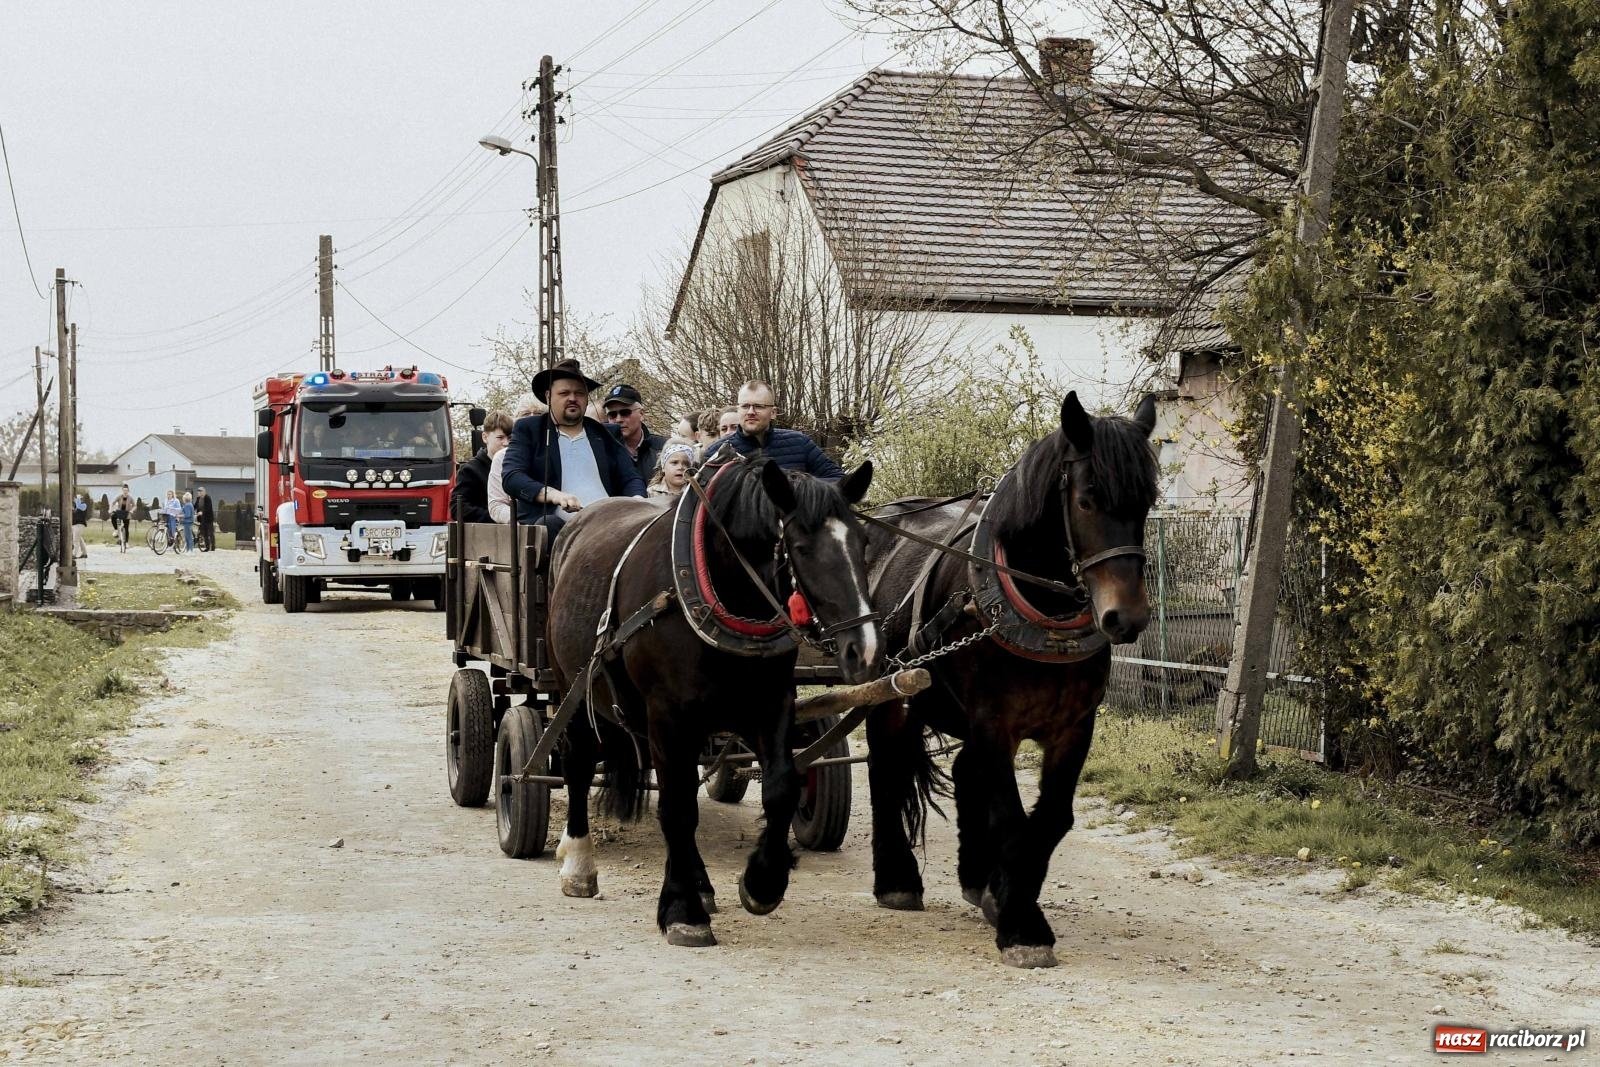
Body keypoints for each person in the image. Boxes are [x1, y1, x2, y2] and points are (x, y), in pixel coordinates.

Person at [501, 358, 647, 536]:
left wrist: (637, 502)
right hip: (557, 531)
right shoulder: (530, 430)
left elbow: (631, 478)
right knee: (550, 525)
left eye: (579, 393)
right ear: (548, 397)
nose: (572, 398)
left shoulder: (604, 433)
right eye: (564, 393)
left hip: (609, 527)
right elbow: (512, 477)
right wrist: (555, 495)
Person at [702, 380, 843, 480]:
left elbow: (836, 478)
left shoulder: (799, 443)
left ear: (773, 412)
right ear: (738, 410)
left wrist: (799, 490)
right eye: (745, 406)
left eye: (759, 406)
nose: (751, 412)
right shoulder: (717, 452)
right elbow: (703, 503)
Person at [488, 394, 545, 524]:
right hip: (521, 530)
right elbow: (496, 504)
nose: (531, 419)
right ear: (516, 422)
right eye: (525, 414)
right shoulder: (502, 457)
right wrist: (518, 521)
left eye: (538, 413)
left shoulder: (557, 452)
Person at [451, 411, 513, 523]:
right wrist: (496, 516)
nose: (506, 443)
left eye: (509, 438)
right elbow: (458, 508)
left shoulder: (518, 467)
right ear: (485, 437)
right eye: (500, 437)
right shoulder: (470, 470)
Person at [601, 383, 667, 483]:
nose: (618, 419)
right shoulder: (603, 452)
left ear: (641, 414)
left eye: (625, 413)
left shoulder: (664, 448)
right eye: (612, 415)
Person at [111, 485, 134, 554]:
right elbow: (113, 503)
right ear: (122, 491)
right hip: (120, 512)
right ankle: (116, 530)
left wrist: (132, 510)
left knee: (126, 528)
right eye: (124, 490)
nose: (125, 492)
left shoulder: (130, 498)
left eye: (126, 490)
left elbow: (134, 505)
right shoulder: (119, 497)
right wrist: (111, 509)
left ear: (128, 491)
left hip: (127, 513)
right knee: (113, 516)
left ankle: (126, 542)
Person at [195, 487, 216, 551]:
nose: (199, 493)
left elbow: (208, 507)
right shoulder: (198, 499)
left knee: (210, 533)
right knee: (205, 533)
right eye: (198, 491)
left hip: (208, 518)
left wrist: (202, 512)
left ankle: (213, 546)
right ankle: (207, 547)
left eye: (201, 491)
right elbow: (195, 506)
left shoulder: (207, 498)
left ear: (204, 492)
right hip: (202, 519)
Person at [71, 492, 89, 559]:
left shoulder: (84, 505)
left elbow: (79, 506)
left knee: (75, 540)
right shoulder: (76, 508)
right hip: (75, 525)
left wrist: (78, 498)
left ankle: (74, 554)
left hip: (79, 525)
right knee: (80, 540)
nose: (75, 500)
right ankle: (84, 553)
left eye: (76, 499)